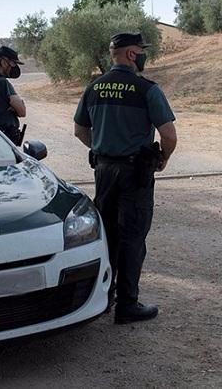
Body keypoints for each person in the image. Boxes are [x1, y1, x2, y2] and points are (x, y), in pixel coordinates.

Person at [73, 32, 178, 324]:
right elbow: (168, 135)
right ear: (132, 54)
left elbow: (80, 131)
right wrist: (162, 158)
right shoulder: (146, 89)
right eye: (141, 51)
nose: (143, 56)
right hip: (135, 174)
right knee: (132, 237)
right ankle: (127, 305)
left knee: (108, 234)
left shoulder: (94, 88)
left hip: (104, 171)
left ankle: (103, 298)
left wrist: (102, 148)